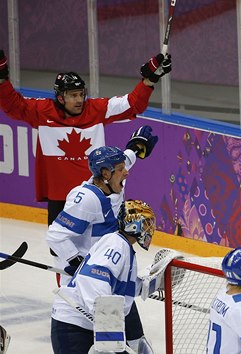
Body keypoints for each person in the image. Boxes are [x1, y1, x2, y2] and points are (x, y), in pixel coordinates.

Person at [0, 49, 171, 225]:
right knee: (57, 247)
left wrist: (148, 81)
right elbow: (13, 105)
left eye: (81, 94)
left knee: (96, 244)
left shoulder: (96, 109)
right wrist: (2, 78)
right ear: (60, 97)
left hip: (94, 194)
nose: (80, 99)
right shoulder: (42, 112)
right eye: (73, 95)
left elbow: (132, 104)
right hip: (60, 197)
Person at [47, 126, 157, 353]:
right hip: (89, 284)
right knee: (106, 342)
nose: (125, 173)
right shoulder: (86, 199)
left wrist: (135, 149)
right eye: (120, 170)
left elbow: (126, 159)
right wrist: (77, 263)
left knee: (136, 341)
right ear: (105, 174)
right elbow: (56, 235)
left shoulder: (115, 181)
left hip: (110, 274)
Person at [51, 199, 158, 353]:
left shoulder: (123, 246)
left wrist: (154, 281)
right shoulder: (116, 244)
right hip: (73, 326)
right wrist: (109, 332)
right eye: (146, 223)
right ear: (134, 225)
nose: (149, 228)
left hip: (84, 325)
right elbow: (94, 281)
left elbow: (125, 288)